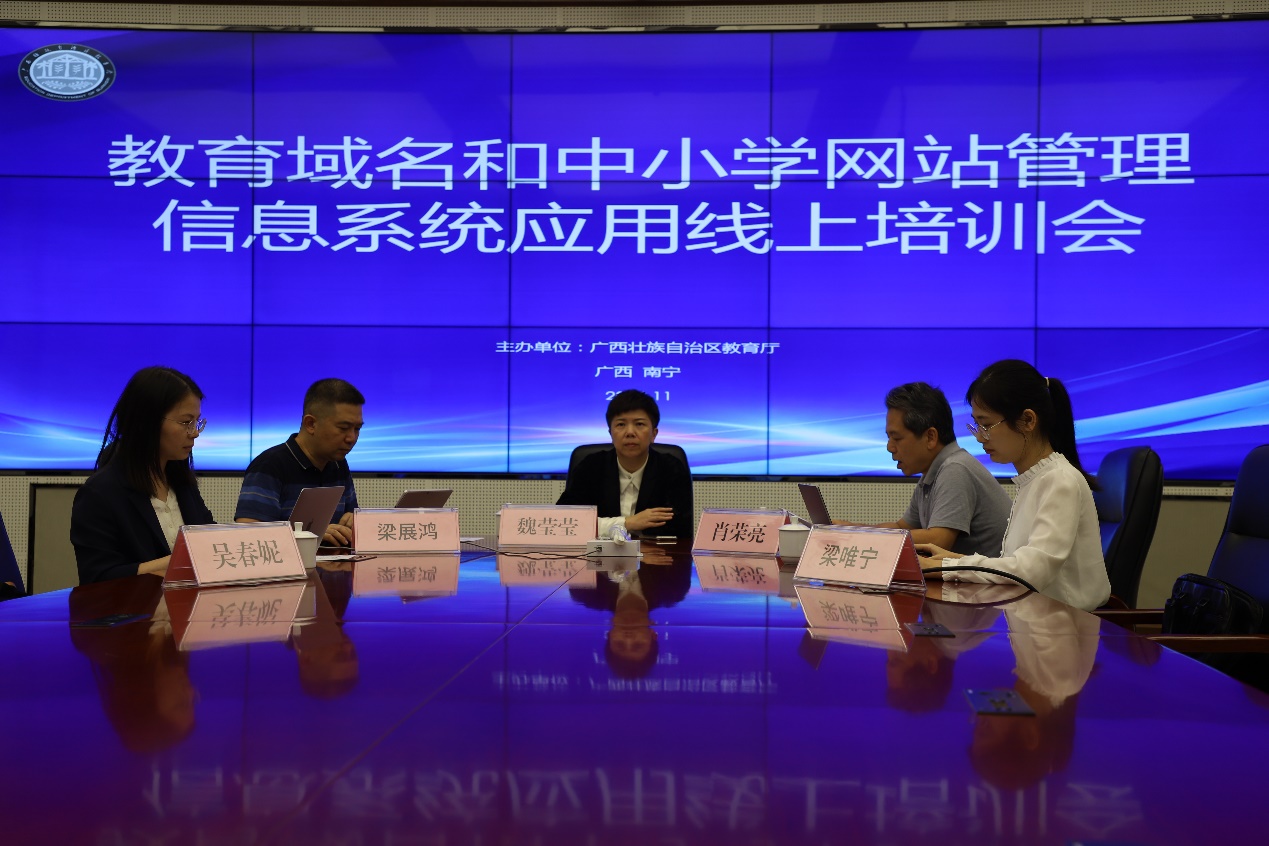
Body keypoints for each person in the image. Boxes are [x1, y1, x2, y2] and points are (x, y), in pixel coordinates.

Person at [916, 360, 1111, 612]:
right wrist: (954, 559)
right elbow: (1017, 564)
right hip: (1035, 619)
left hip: (1064, 627)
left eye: (986, 425)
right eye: (976, 425)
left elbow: (1030, 572)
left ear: (1028, 420)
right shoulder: (1034, 479)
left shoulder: (1060, 480)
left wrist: (948, 567)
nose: (979, 437)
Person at [71, 366, 215, 584]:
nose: (194, 432)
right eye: (186, 422)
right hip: (132, 605)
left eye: (198, 422)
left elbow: (208, 543)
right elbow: (97, 577)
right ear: (148, 422)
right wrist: (177, 563)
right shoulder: (100, 493)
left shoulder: (183, 484)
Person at [855, 382, 1011, 556]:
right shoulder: (933, 472)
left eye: (896, 438)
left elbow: (938, 540)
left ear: (930, 437)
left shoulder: (955, 469)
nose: (889, 447)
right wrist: (849, 530)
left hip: (993, 574)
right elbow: (901, 527)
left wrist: (863, 537)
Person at [235, 379, 363, 547]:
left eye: (357, 429)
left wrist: (354, 522)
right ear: (311, 424)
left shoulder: (338, 464)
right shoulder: (269, 465)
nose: (351, 438)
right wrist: (310, 534)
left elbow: (348, 524)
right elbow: (247, 536)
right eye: (343, 428)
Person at [556, 389, 693, 539]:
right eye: (621, 424)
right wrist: (628, 523)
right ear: (610, 433)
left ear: (653, 434)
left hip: (655, 552)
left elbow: (678, 528)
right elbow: (567, 521)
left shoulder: (671, 468)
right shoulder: (591, 467)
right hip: (599, 553)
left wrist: (603, 526)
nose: (630, 432)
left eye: (639, 424)